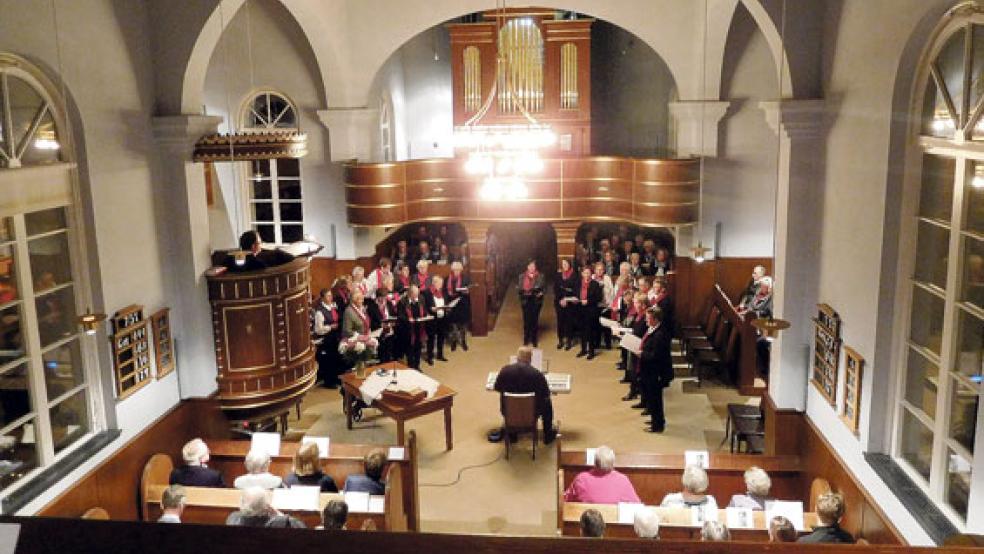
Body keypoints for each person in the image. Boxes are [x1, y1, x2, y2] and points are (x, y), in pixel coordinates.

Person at [492, 346, 557, 444]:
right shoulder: (537, 374)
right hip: (532, 412)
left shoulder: (505, 371)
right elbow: (545, 394)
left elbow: (497, 387)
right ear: (530, 359)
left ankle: (512, 434)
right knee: (547, 402)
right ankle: (548, 434)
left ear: (517, 358)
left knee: (506, 398)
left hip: (510, 411)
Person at [563, 445, 640, 503]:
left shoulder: (581, 479)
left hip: (586, 523)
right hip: (612, 523)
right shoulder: (623, 480)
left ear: (595, 463)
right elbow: (637, 505)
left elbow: (565, 498)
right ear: (613, 464)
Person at [639, 307, 673, 433]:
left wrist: (642, 354)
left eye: (648, 318)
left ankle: (657, 426)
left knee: (655, 399)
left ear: (656, 319)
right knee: (652, 398)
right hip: (650, 370)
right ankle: (656, 419)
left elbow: (656, 356)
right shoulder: (653, 329)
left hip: (656, 372)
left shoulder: (660, 334)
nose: (645, 320)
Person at [312, 288, 343, 388]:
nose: (331, 298)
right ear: (322, 298)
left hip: (335, 337)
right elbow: (318, 329)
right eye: (328, 296)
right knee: (329, 360)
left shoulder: (333, 307)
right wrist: (330, 327)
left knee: (337, 358)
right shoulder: (319, 312)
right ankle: (329, 382)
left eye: (331, 295)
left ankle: (337, 378)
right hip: (327, 339)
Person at [397, 284, 428, 369]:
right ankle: (411, 367)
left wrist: (426, 316)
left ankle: (417, 366)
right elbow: (400, 316)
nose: (417, 297)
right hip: (408, 330)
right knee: (409, 349)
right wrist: (408, 320)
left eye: (417, 294)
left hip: (419, 328)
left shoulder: (421, 299)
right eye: (415, 295)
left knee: (418, 348)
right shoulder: (402, 302)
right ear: (410, 294)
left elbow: (424, 310)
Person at [575, 266, 602, 359]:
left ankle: (591, 351)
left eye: (588, 273)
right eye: (585, 273)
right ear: (582, 274)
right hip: (580, 310)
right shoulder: (578, 283)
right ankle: (583, 350)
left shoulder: (595, 284)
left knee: (590, 331)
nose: (586, 275)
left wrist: (588, 301)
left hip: (591, 310)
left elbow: (598, 298)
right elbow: (575, 294)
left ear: (591, 274)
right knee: (582, 331)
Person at [517, 260, 545, 347]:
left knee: (534, 320)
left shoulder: (541, 276)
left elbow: (544, 288)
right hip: (525, 300)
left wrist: (541, 293)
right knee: (526, 320)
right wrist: (521, 291)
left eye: (533, 266)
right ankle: (526, 338)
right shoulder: (521, 276)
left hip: (536, 300)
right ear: (527, 267)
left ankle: (534, 339)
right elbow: (519, 288)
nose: (532, 268)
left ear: (535, 267)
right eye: (530, 266)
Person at [368, 284, 397, 363]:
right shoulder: (372, 306)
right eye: (382, 297)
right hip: (379, 332)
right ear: (377, 297)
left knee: (389, 352)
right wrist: (380, 325)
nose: (384, 299)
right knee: (382, 354)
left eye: (385, 297)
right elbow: (370, 322)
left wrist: (393, 322)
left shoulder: (389, 303)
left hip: (389, 331)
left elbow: (394, 315)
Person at [423, 275, 449, 364]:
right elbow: (424, 306)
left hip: (442, 318)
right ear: (434, 283)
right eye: (439, 283)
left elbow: (446, 302)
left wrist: (448, 307)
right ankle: (429, 357)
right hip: (432, 319)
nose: (441, 285)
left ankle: (440, 355)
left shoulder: (443, 292)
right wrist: (431, 309)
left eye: (442, 283)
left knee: (441, 337)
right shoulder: (427, 292)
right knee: (431, 338)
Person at [445, 261, 470, 352]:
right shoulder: (447, 279)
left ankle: (463, 341)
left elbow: (469, 289)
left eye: (458, 270)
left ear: (461, 270)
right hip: (452, 304)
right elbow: (445, 292)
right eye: (455, 270)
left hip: (463, 304)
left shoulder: (465, 278)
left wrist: (466, 291)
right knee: (453, 325)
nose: (456, 271)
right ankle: (454, 342)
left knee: (463, 325)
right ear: (452, 270)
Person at [554, 258, 578, 350]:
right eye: (563, 264)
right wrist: (561, 299)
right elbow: (556, 289)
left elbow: (575, 290)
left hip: (570, 304)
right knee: (560, 322)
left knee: (569, 323)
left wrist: (567, 299)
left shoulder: (575, 276)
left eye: (566, 264)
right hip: (559, 302)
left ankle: (569, 341)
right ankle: (560, 340)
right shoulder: (558, 275)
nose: (565, 266)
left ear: (569, 264)